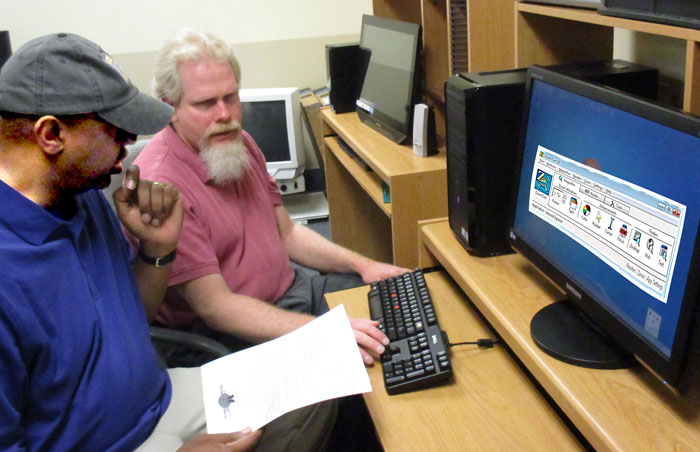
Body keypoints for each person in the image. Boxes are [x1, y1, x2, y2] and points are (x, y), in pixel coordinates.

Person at [0, 32, 333, 452]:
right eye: (115, 132)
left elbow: (135, 315)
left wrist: (157, 249)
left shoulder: (83, 199)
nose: (127, 151)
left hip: (159, 398)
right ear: (50, 135)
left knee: (316, 379)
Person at [133, 28, 409, 364]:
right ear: (169, 109)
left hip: (293, 292)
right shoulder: (162, 184)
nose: (225, 115)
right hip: (231, 332)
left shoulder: (239, 143)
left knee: (393, 304)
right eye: (206, 103)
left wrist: (364, 265)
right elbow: (217, 307)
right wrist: (322, 331)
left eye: (230, 97)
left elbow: (287, 232)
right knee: (354, 366)